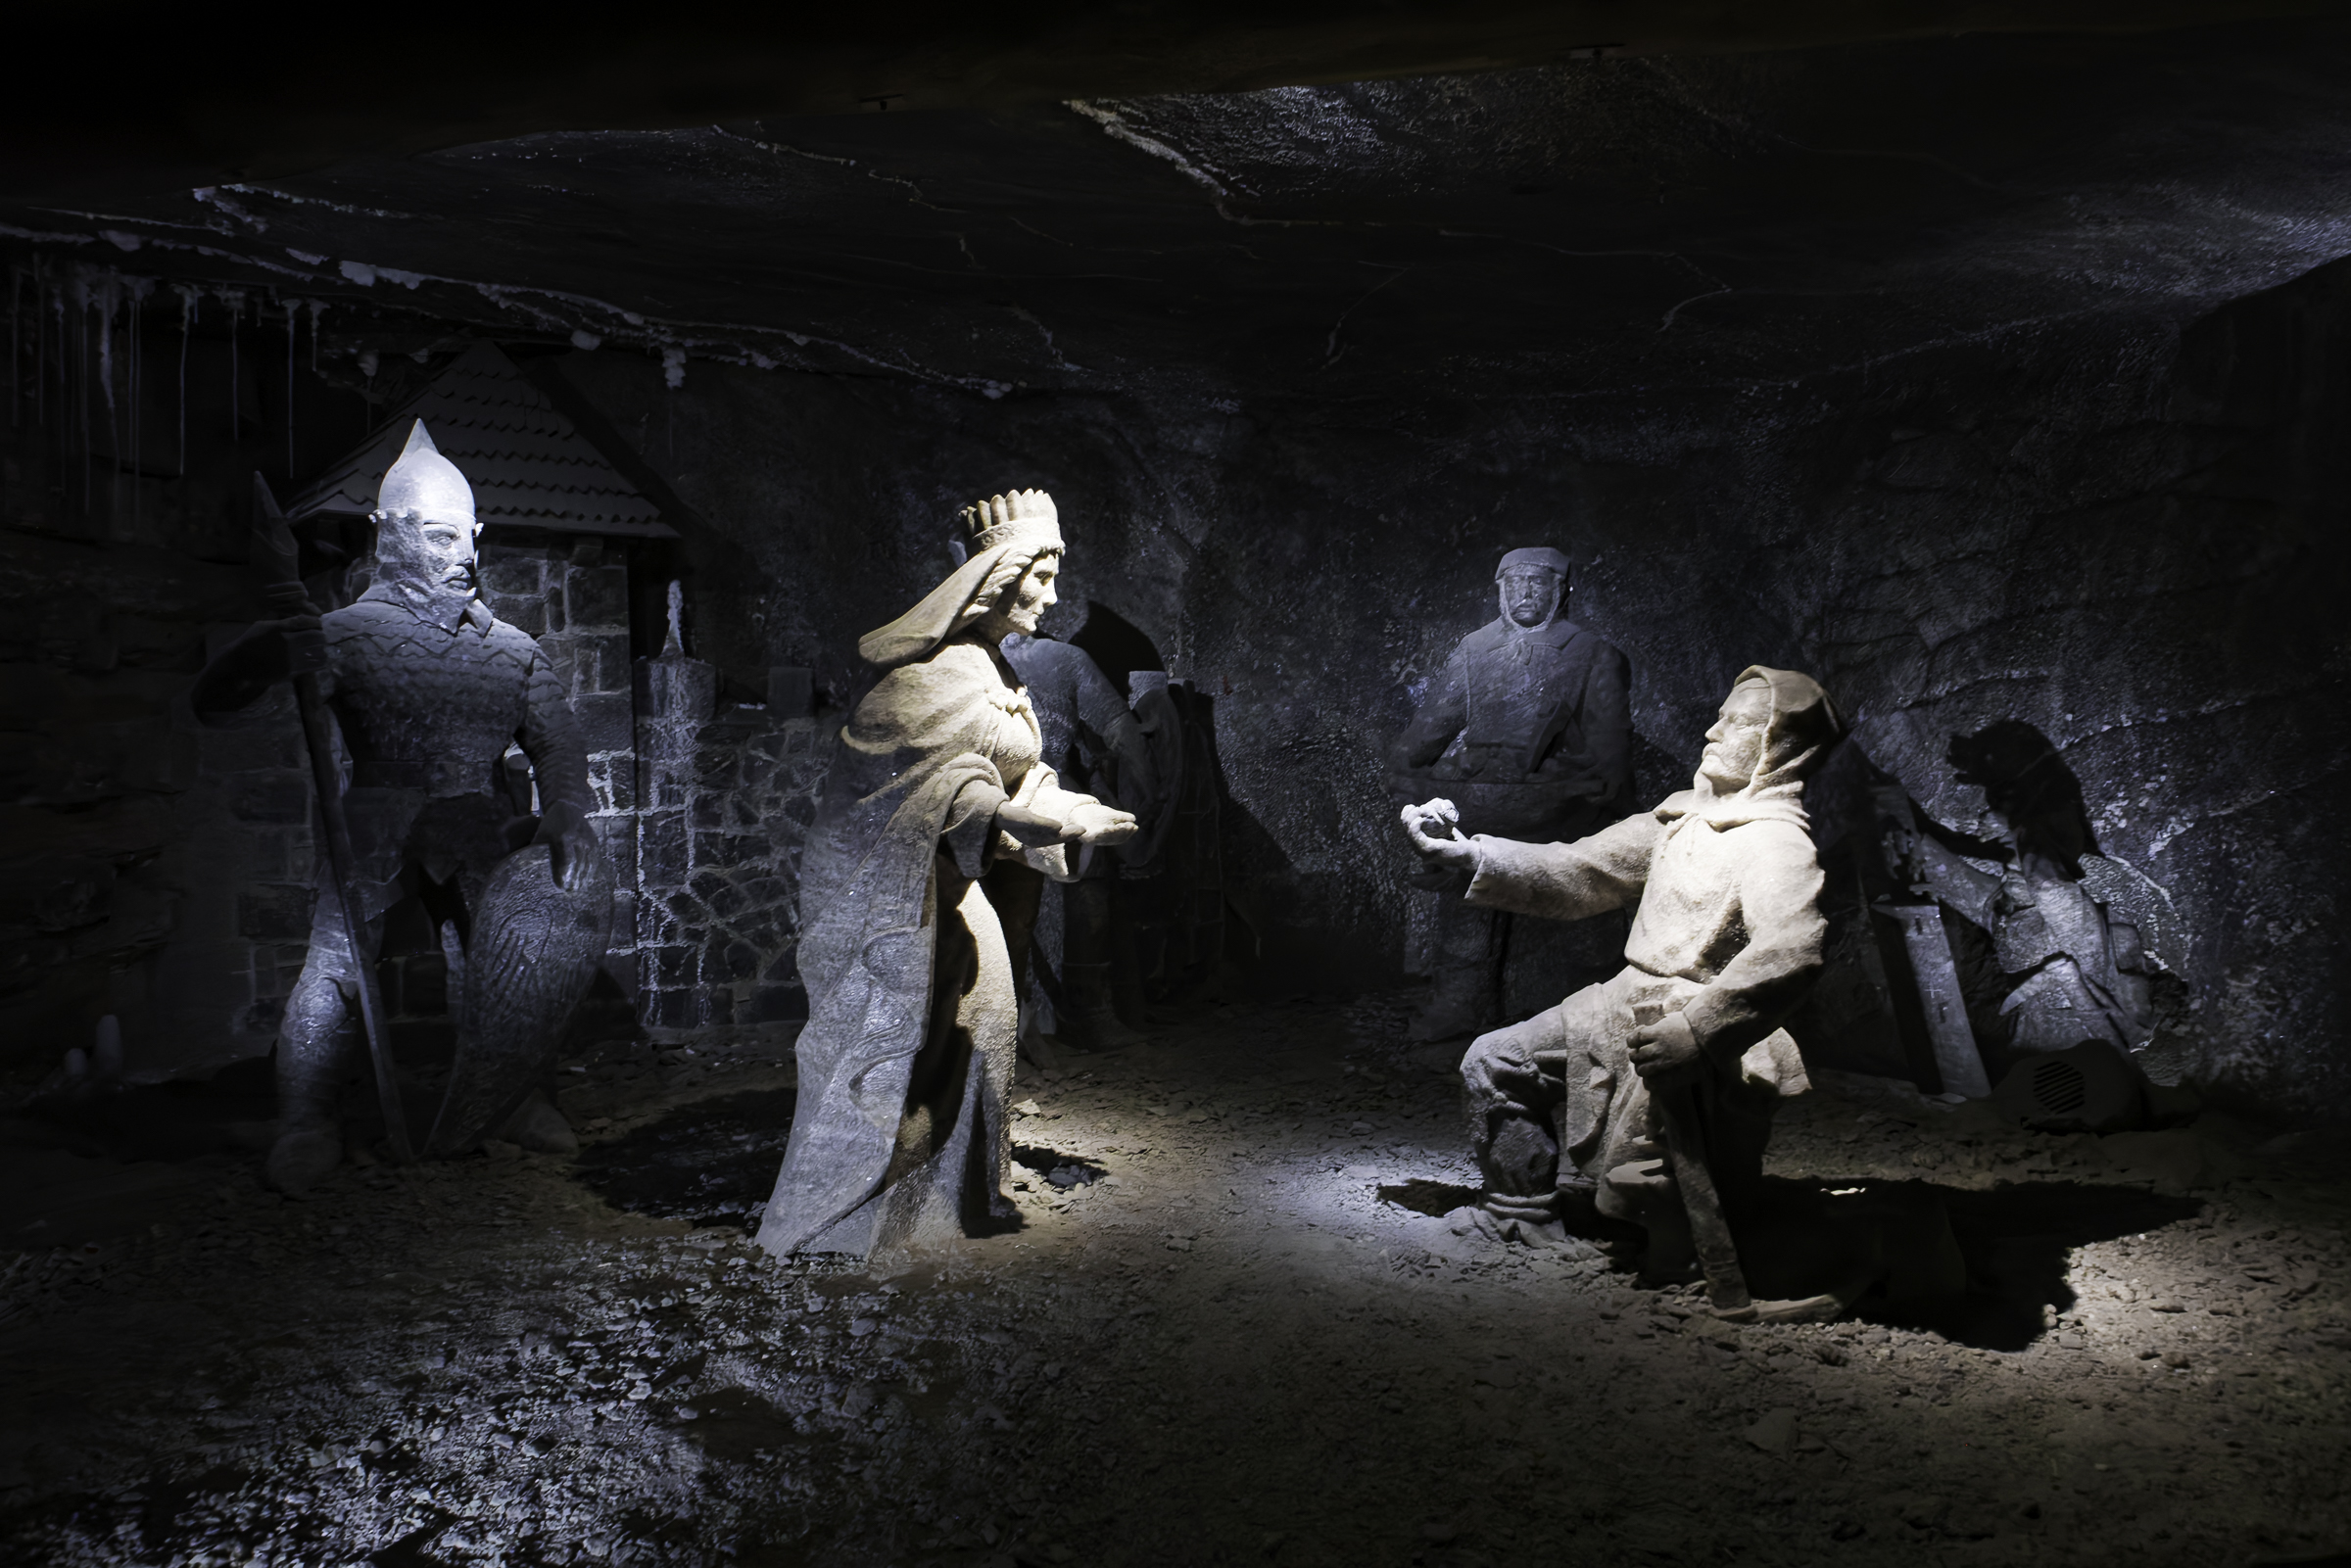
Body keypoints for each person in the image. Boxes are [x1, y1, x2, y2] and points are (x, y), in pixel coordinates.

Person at [190, 422, 607, 1192]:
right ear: (398, 534)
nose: (466, 558)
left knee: (505, 971)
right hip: (378, 819)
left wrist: (566, 810)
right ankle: (308, 1118)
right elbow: (216, 701)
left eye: (469, 537)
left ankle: (512, 1101)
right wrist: (271, 645)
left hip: (476, 815)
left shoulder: (511, 650)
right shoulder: (342, 637)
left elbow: (558, 741)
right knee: (337, 973)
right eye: (444, 538)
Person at [755, 490, 1136, 1259]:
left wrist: (1063, 806)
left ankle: (954, 1192)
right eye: (1042, 573)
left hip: (948, 893)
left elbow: (1004, 783)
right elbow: (912, 796)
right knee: (911, 1046)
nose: (1053, 594)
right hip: (892, 903)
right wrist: (1030, 817)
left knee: (989, 1017)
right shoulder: (921, 685)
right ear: (998, 576)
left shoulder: (998, 673)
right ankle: (865, 1206)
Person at [1402, 667, 1839, 1280]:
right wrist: (1471, 854)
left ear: (1778, 746)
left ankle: (1688, 1251)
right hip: (1624, 1002)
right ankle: (1517, 1211)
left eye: (1738, 722)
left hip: (1690, 1022)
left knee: (1643, 1184)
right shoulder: (1678, 818)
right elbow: (1580, 870)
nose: (1713, 730)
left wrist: (1701, 1028)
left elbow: (1792, 947)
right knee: (1495, 1061)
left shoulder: (1772, 844)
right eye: (1721, 713)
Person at [1387, 546, 1631, 1041]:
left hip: (1561, 812)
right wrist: (1414, 791)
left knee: (1580, 915)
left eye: (1538, 582)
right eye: (1514, 581)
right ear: (1498, 589)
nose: (1524, 591)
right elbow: (1422, 740)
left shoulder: (1591, 653)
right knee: (1464, 895)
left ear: (1562, 590)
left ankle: (1583, 1012)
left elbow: (1611, 758)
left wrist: (1588, 794)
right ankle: (1460, 1003)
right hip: (1487, 806)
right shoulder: (1475, 651)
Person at [998, 630, 1158, 1052]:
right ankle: (1074, 1014)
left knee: (1089, 867)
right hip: (996, 794)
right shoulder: (1055, 659)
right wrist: (1149, 796)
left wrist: (1141, 800)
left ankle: (1086, 1011)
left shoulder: (1060, 660)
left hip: (1038, 788)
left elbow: (1118, 726)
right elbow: (1122, 731)